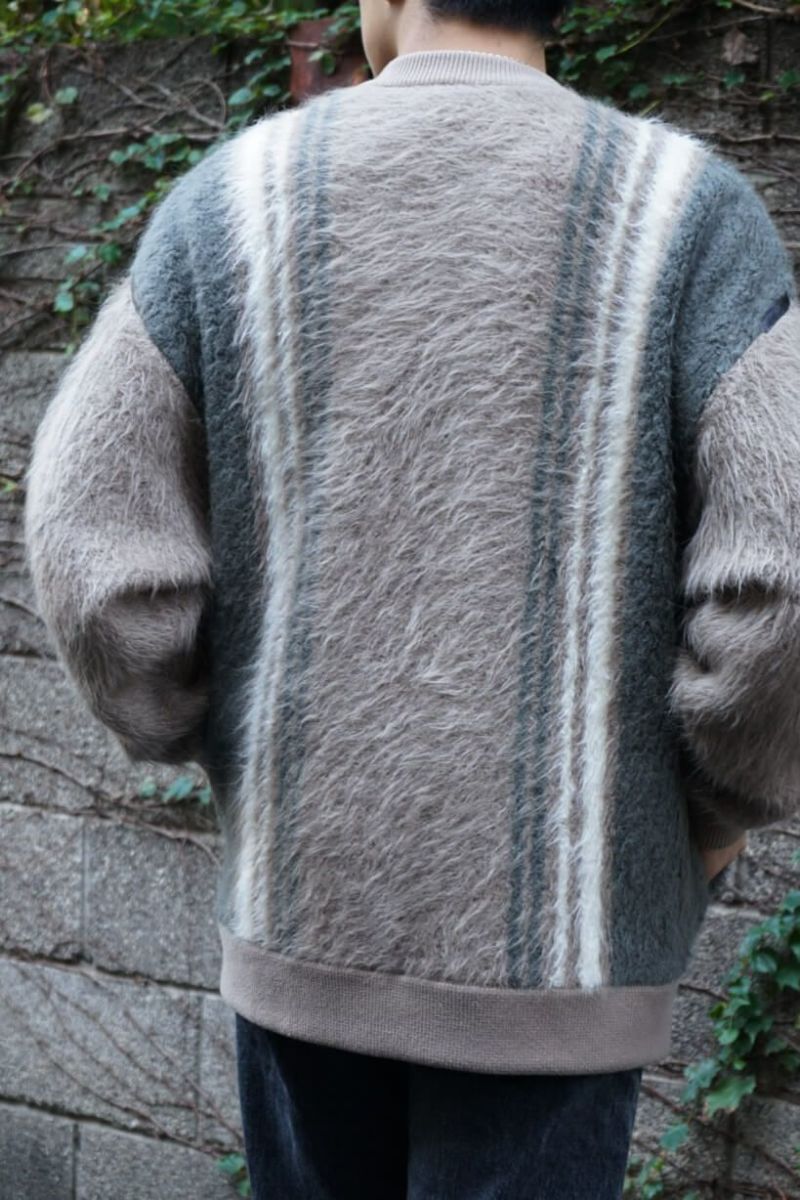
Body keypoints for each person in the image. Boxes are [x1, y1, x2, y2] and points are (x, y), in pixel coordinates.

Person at [23, 0, 800, 1193]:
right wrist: (712, 811)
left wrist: (211, 737)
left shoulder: (230, 203)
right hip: (565, 960)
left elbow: (89, 549)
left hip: (299, 922)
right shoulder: (688, 215)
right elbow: (780, 580)